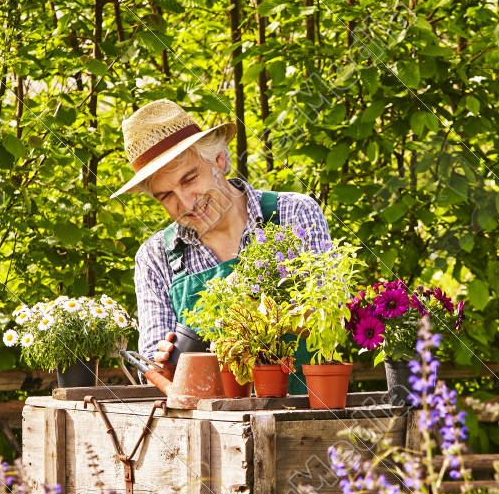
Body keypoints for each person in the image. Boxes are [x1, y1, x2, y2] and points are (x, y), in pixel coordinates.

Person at [111, 99, 333, 393]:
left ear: (218, 160)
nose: (187, 203)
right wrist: (163, 366)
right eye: (166, 196)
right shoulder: (156, 257)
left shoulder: (293, 214)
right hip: (210, 431)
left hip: (306, 417)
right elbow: (153, 368)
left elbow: (330, 313)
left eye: (190, 178)